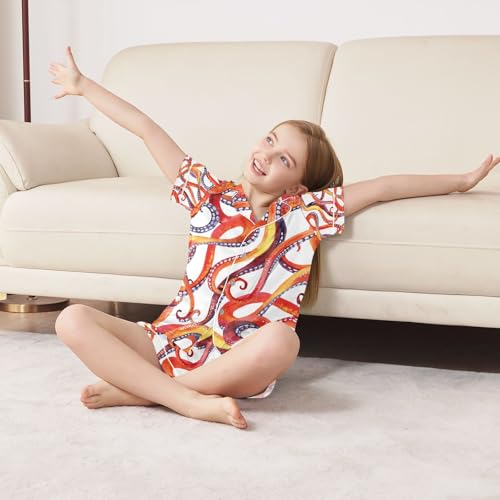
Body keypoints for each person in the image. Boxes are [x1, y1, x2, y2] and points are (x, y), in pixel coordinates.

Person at [49, 46, 499, 430]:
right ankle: (182, 398)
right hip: (169, 339)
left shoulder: (305, 214)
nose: (266, 154)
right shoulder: (208, 195)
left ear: (298, 186)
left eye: (284, 159)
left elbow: (384, 187)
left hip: (238, 359)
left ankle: (146, 393)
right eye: (269, 140)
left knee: (284, 341)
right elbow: (147, 129)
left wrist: (461, 181)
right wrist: (84, 86)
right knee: (71, 319)